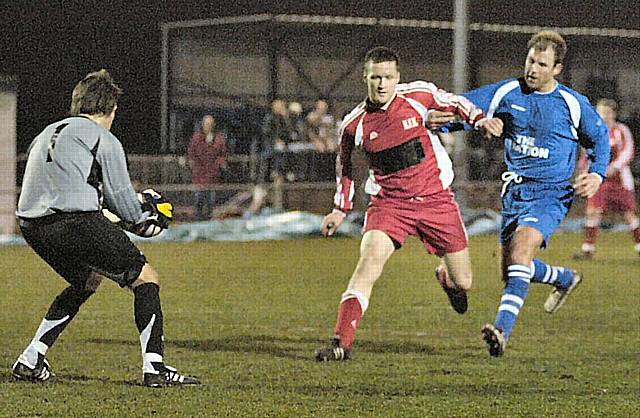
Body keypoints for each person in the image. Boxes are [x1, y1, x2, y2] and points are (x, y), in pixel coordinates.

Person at [11, 69, 200, 387]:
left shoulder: (45, 133)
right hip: (76, 223)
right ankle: (155, 367)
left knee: (86, 280)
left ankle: (31, 358)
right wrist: (147, 219)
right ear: (110, 109)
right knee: (146, 278)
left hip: (31, 226)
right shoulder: (104, 138)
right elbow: (125, 206)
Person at [314, 46, 503, 361]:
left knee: (464, 281)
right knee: (369, 261)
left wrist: (480, 119)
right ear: (365, 78)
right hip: (389, 205)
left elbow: (455, 102)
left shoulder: (418, 95)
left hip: (435, 200)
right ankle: (341, 343)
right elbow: (344, 167)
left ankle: (445, 279)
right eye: (375, 77)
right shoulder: (353, 125)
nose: (382, 84)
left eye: (388, 77)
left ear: (397, 77)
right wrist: (340, 208)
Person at [432, 31, 611, 357]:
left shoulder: (573, 104)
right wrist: (439, 122)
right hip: (515, 193)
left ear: (557, 69)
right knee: (513, 270)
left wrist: (597, 174)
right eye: (531, 61)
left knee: (520, 254)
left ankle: (501, 331)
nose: (533, 69)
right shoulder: (506, 92)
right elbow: (462, 109)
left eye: (542, 64)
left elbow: (600, 140)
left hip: (552, 194)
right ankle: (565, 277)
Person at [574, 99, 639, 259]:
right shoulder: (593, 132)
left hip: (620, 181)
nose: (603, 116)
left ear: (613, 114)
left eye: (607, 112)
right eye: (600, 112)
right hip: (599, 180)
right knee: (593, 212)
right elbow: (586, 155)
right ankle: (588, 250)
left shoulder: (621, 130)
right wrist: (583, 171)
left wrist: (614, 167)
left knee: (629, 214)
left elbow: (628, 151)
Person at [187, 114, 228, 221]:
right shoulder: (197, 137)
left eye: (210, 124)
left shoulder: (219, 138)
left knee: (211, 201)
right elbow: (191, 153)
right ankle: (198, 220)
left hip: (213, 175)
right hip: (199, 175)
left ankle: (209, 221)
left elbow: (223, 154)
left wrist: (220, 164)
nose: (208, 126)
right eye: (206, 124)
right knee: (198, 200)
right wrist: (193, 165)